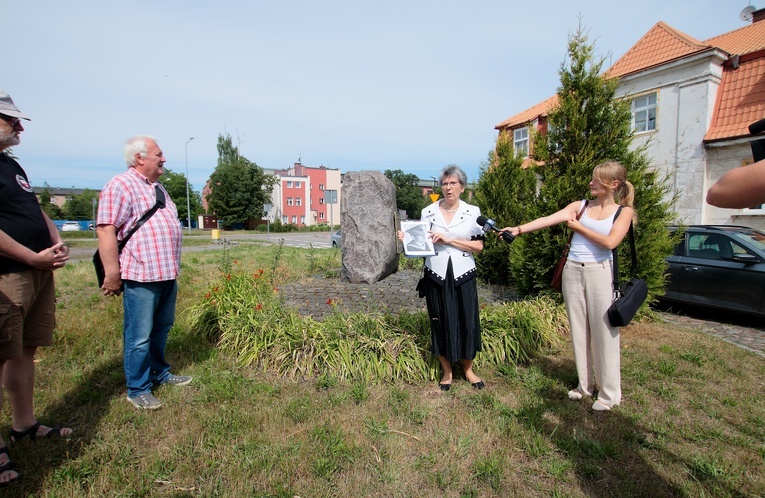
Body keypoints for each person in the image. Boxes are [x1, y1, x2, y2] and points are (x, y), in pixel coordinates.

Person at [499, 161, 634, 411]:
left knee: (605, 333)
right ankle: (584, 387)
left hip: (600, 274)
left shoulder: (623, 212)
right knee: (579, 330)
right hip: (573, 271)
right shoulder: (579, 206)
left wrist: (579, 227)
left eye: (597, 179)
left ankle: (609, 395)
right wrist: (517, 230)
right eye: (592, 178)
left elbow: (610, 242)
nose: (591, 183)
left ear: (613, 184)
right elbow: (548, 219)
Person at [0, 90, 73, 486]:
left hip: (37, 270)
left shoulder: (11, 167)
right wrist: (31, 258)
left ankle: (23, 424)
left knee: (25, 348)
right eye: (12, 119)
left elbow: (35, 210)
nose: (19, 126)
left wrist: (52, 242)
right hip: (9, 273)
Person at [96, 136, 191, 410]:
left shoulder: (158, 188)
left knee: (161, 328)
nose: (164, 159)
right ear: (140, 158)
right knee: (139, 336)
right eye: (159, 154)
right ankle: (137, 388)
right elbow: (106, 229)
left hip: (166, 273)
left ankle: (159, 372)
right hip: (140, 275)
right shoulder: (121, 185)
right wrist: (112, 272)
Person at [397, 165, 485, 391]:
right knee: (439, 320)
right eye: (445, 183)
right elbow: (421, 243)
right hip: (435, 273)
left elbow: (478, 246)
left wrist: (448, 240)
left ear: (462, 187)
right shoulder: (428, 211)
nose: (448, 187)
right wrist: (407, 237)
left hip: (463, 272)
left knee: (468, 321)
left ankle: (467, 370)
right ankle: (446, 372)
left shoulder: (473, 212)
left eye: (453, 183)